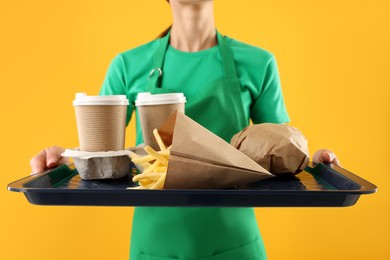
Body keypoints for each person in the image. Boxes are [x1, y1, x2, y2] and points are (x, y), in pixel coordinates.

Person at [30, 0, 341, 259]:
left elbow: (278, 152)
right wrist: (66, 157)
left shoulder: (258, 63)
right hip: (154, 244)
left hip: (234, 243)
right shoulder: (128, 65)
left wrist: (311, 161)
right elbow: (101, 155)